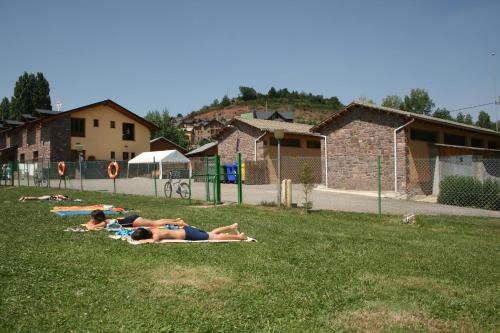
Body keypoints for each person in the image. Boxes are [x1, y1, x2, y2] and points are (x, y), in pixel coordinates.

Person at [131, 223, 247, 242]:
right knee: (211, 233)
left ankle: (240, 237)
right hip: (187, 230)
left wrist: (144, 241)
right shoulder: (153, 230)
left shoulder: (155, 235)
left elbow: (154, 241)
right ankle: (231, 227)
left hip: (189, 234)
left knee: (215, 237)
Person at [86, 210, 188, 230]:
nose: (91, 220)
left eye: (92, 218)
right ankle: (176, 220)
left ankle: (179, 223)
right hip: (132, 219)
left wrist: (90, 224)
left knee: (155, 223)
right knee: (155, 221)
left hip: (134, 221)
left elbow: (92, 227)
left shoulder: (104, 222)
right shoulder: (106, 219)